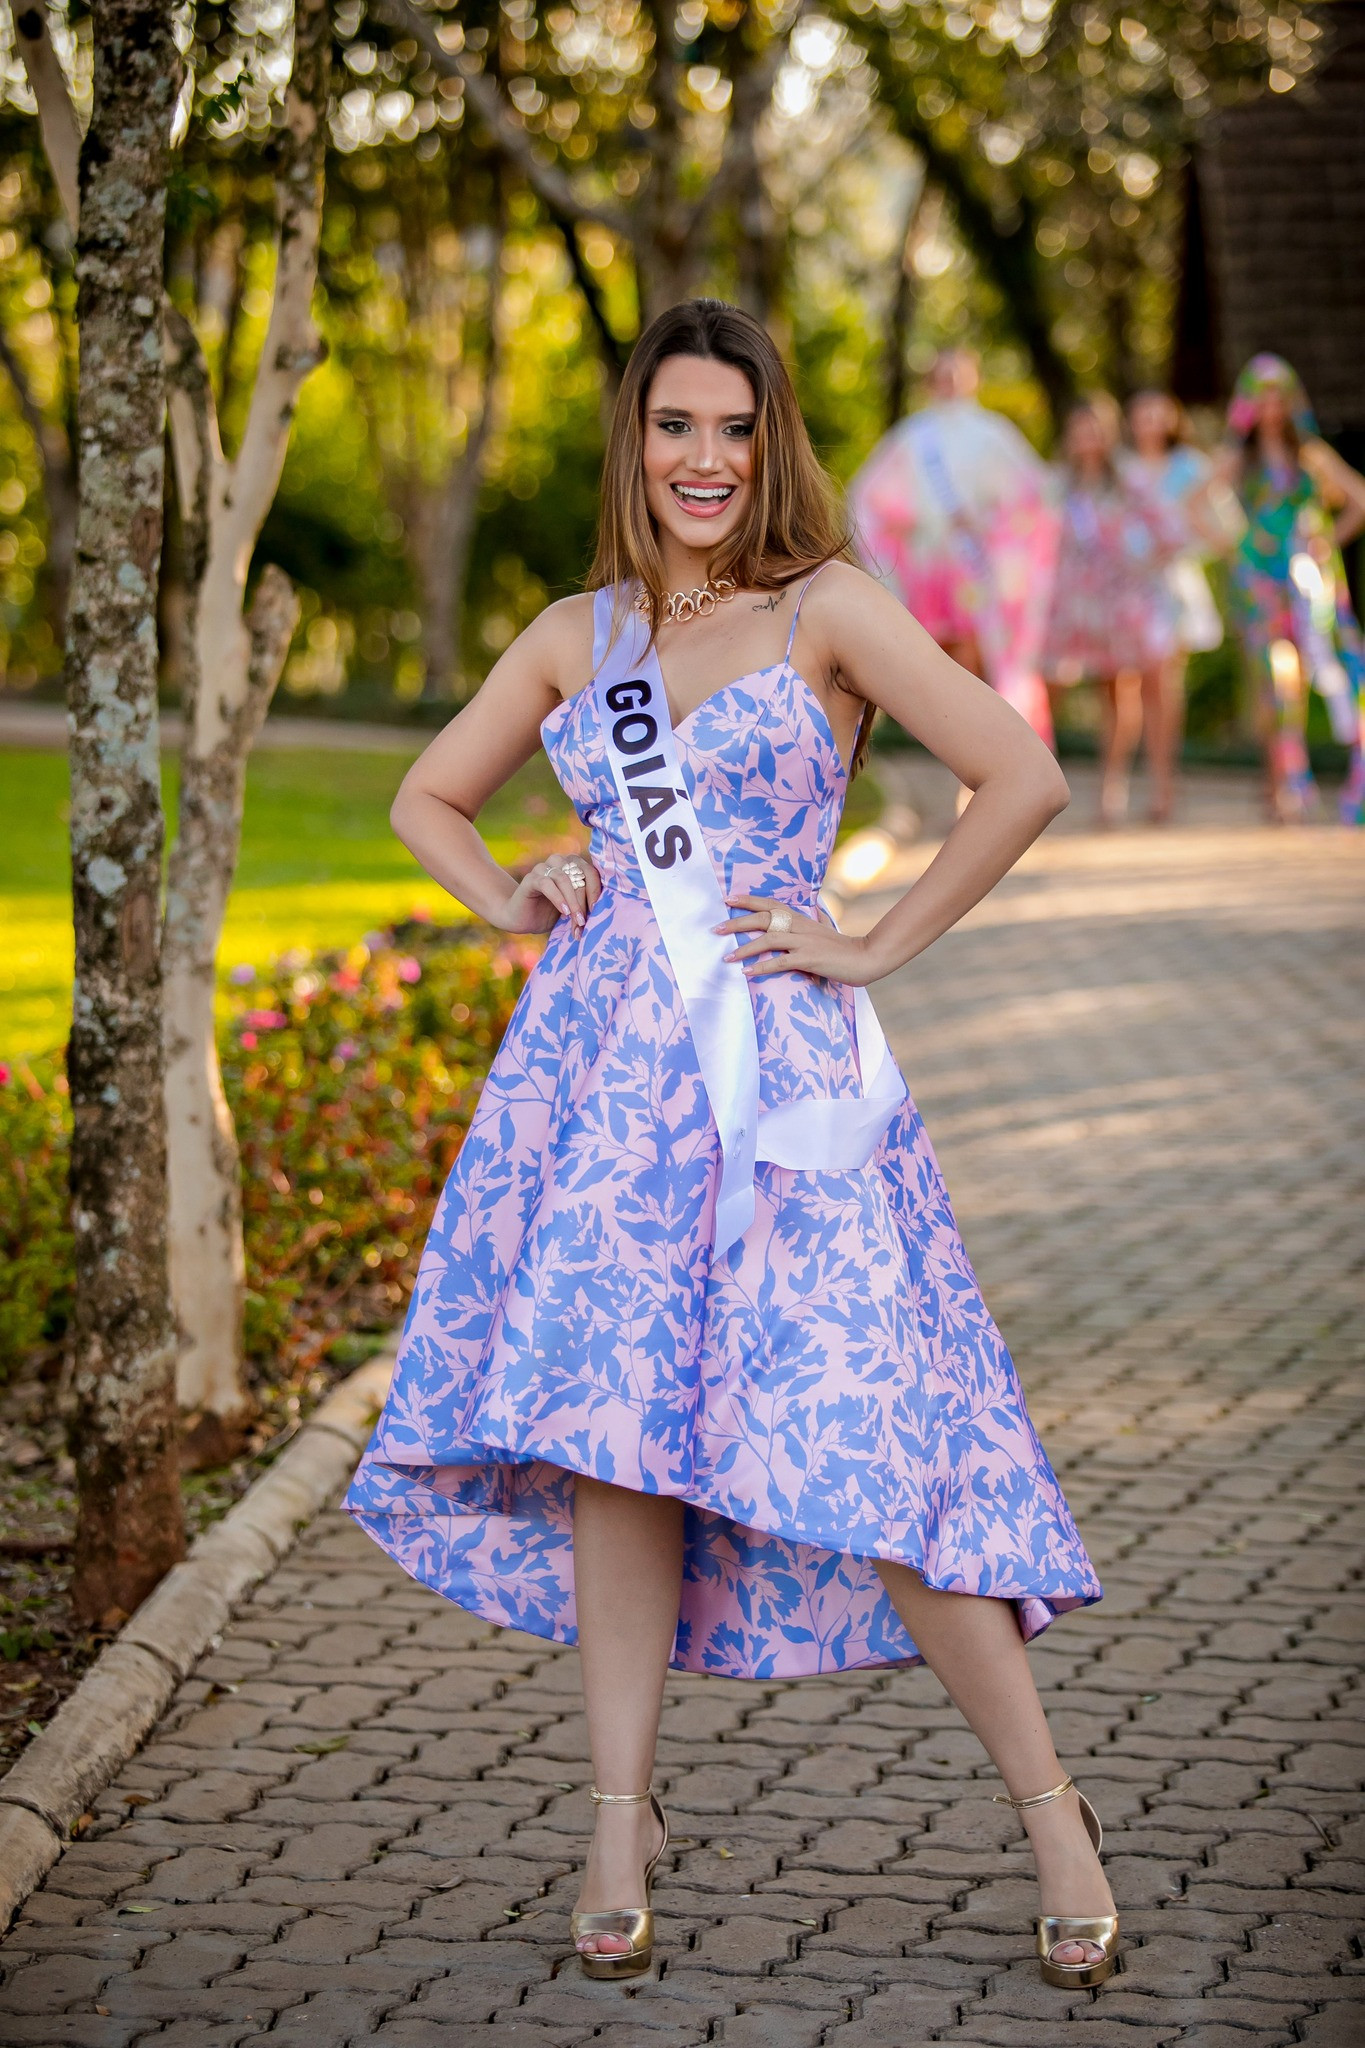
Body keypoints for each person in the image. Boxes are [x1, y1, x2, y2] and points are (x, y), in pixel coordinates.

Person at [345, 300, 1116, 1992]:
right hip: (611, 1086)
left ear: (772, 442)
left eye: (734, 428)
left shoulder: (823, 608)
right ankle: (616, 1817)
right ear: (634, 441)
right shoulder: (576, 634)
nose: (704, 458)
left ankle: (1056, 1815)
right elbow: (428, 796)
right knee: (622, 1440)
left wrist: (869, 942)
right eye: (674, 426)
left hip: (784, 1083)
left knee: (880, 1438)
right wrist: (518, 890)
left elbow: (1022, 771)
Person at [848, 348, 1061, 745]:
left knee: (971, 655)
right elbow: (869, 496)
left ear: (974, 378)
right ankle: (954, 745)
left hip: (975, 564)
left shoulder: (994, 433)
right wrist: (915, 520)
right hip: (933, 564)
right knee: (936, 657)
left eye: (958, 373)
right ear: (931, 382)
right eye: (942, 375)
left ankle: (978, 745)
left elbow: (1034, 494)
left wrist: (986, 521)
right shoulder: (913, 435)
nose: (950, 382)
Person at [1222, 353, 1365, 824]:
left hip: (1312, 585)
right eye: (1260, 397)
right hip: (1262, 585)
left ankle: (1331, 787)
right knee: (1277, 678)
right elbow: (1195, 502)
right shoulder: (1240, 460)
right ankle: (1286, 784)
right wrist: (1236, 544)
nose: (1270, 407)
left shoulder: (1311, 455)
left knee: (1334, 671)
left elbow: (1358, 500)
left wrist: (1325, 541)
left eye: (1277, 397)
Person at [1041, 398, 1186, 827]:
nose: (1086, 439)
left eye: (1094, 429)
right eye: (1079, 429)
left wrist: (1139, 567)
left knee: (1125, 690)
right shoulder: (1057, 485)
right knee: (1082, 689)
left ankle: (1119, 786)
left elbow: (1170, 531)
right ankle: (1074, 786)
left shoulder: (1129, 479)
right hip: (1076, 608)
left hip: (1124, 606)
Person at [1124, 390, 1244, 823]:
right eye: (1143, 414)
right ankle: (1121, 781)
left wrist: (1186, 548)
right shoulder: (1123, 470)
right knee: (1129, 685)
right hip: (1126, 590)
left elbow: (1226, 526)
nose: (1151, 422)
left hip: (1173, 587)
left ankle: (1163, 783)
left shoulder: (1191, 467)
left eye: (1159, 414)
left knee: (1164, 681)